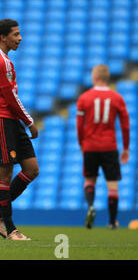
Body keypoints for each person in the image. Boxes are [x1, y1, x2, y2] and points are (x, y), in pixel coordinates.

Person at [0, 19, 39, 241]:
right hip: (2, 121)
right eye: (16, 34)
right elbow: (9, 96)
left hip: (10, 121)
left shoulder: (1, 59)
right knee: (4, 174)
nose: (20, 38)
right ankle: (10, 227)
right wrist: (29, 121)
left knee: (32, 169)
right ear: (3, 37)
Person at [76, 64, 130, 230]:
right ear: (106, 77)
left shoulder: (84, 98)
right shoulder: (117, 98)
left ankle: (91, 206)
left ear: (95, 77)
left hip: (90, 146)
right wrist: (126, 147)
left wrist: (82, 144)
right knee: (112, 184)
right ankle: (112, 222)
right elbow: (125, 125)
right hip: (109, 146)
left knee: (90, 179)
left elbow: (79, 126)